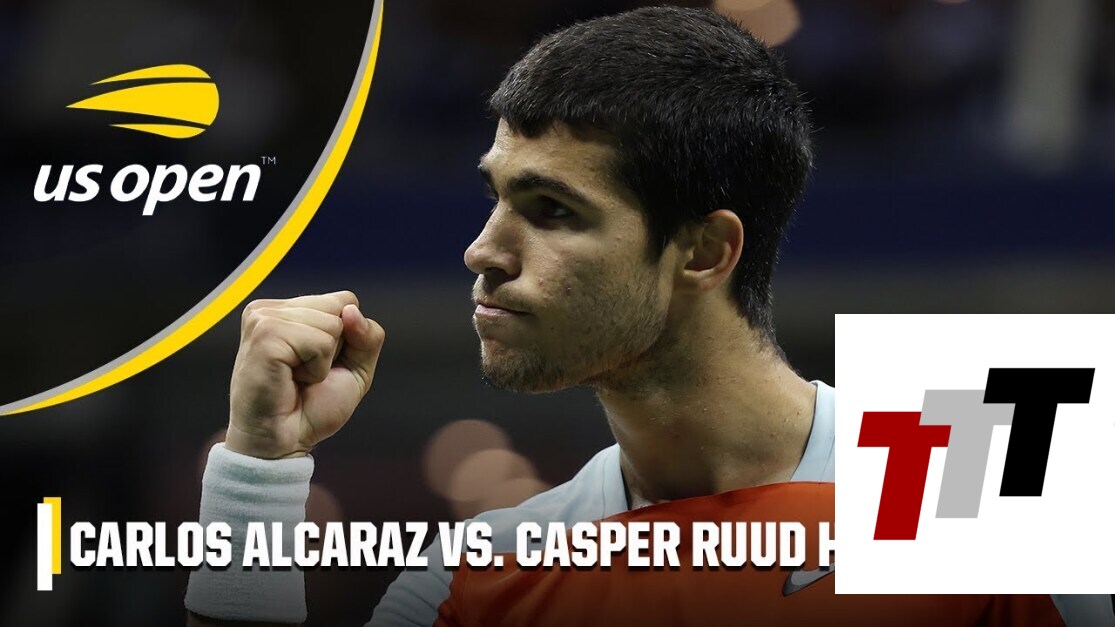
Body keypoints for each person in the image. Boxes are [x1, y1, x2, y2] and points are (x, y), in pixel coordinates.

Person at [184, 6, 1113, 626]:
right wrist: (259, 470)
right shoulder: (479, 567)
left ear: (704, 251)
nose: (482, 250)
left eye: (551, 210)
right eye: (495, 198)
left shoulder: (981, 453)